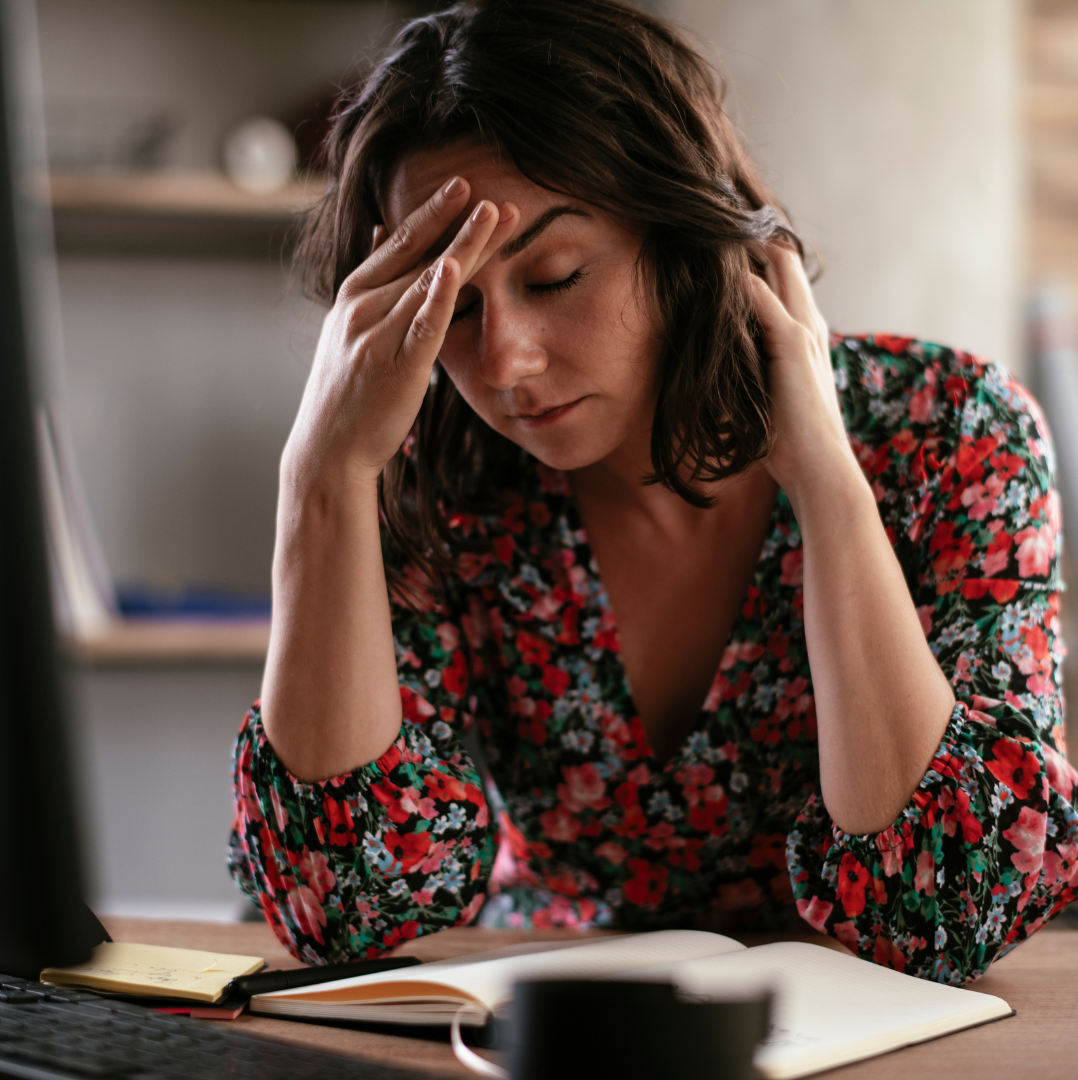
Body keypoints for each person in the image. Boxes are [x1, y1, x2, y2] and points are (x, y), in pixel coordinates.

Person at [228, 0, 1078, 983]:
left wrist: (827, 485)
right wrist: (318, 481)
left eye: (554, 276)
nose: (504, 360)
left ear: (683, 237)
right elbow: (343, 914)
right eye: (452, 306)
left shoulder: (950, 434)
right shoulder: (432, 481)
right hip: (545, 1019)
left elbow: (941, 912)